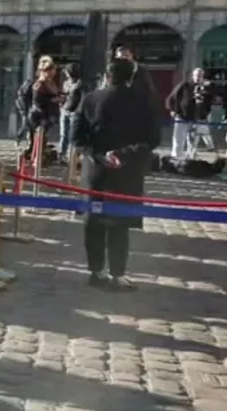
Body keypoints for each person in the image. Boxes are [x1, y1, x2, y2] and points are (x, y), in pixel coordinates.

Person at [73, 59, 160, 291]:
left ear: (107, 75)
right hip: (126, 170)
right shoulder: (143, 102)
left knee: (94, 223)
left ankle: (95, 271)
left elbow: (78, 138)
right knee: (119, 224)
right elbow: (153, 140)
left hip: (96, 169)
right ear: (131, 77)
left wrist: (99, 155)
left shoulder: (90, 99)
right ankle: (117, 274)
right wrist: (123, 154)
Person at [166, 67, 211, 160]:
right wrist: (172, 110)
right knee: (178, 140)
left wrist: (205, 114)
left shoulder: (205, 88)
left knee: (193, 142)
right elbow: (171, 98)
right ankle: (176, 158)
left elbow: (208, 102)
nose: (199, 78)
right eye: (197, 75)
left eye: (201, 76)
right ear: (193, 76)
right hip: (182, 117)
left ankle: (190, 160)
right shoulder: (184, 85)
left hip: (197, 118)